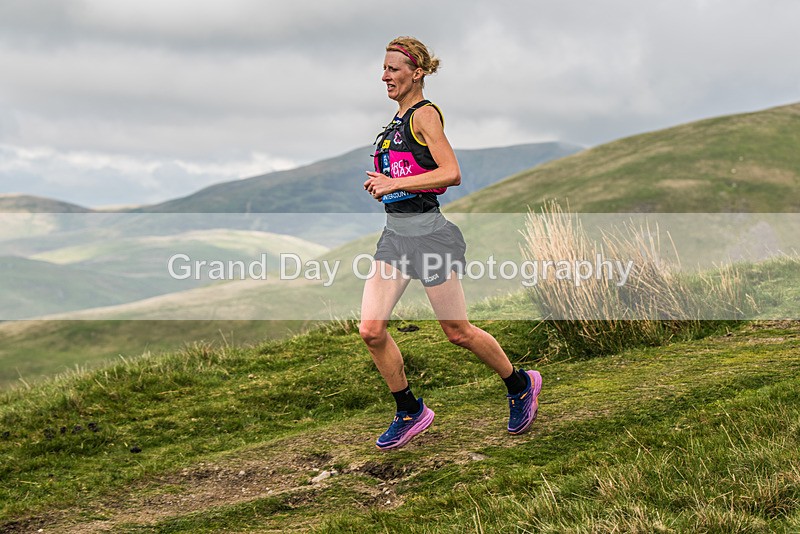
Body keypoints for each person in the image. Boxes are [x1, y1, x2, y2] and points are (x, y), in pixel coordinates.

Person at [361, 36, 542, 450]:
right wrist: (383, 185)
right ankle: (409, 410)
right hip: (395, 237)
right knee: (371, 330)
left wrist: (395, 182)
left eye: (393, 68)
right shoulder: (394, 124)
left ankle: (520, 385)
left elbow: (451, 172)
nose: (384, 75)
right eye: (384, 68)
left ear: (417, 72)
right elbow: (405, 176)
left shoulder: (424, 116)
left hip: (430, 237)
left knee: (457, 332)